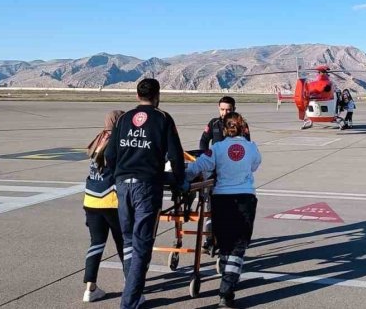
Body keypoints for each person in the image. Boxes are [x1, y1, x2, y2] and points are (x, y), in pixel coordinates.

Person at [105, 78, 186, 309]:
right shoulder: (162, 118)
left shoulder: (123, 119)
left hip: (123, 185)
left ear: (137, 94)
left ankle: (135, 292)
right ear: (157, 95)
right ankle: (129, 302)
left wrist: (118, 175)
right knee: (142, 243)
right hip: (146, 187)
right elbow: (175, 155)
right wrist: (180, 180)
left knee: (129, 240)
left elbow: (110, 155)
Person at [186, 112, 261, 308]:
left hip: (221, 199)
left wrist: (180, 175)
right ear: (243, 128)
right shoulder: (251, 147)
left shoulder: (217, 148)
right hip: (244, 198)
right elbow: (255, 166)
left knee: (226, 243)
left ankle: (227, 280)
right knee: (239, 245)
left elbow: (198, 167)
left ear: (225, 129)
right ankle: (226, 289)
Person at [82, 110, 126, 303]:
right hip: (111, 199)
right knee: (124, 243)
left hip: (91, 200)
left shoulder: (99, 139)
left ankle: (89, 288)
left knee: (96, 243)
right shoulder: (118, 142)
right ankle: (130, 280)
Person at [198, 96, 250, 254]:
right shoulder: (213, 123)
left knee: (232, 207)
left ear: (234, 109)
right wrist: (206, 158)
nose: (225, 112)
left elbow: (246, 146)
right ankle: (209, 239)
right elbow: (203, 142)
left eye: (228, 109)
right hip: (214, 172)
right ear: (218, 108)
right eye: (222, 109)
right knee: (211, 206)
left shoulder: (241, 125)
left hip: (233, 174)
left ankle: (230, 238)